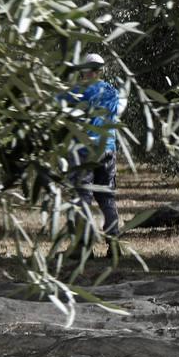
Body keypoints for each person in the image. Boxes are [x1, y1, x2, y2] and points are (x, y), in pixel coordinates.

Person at [61, 52, 125, 237]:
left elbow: (58, 108)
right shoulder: (112, 91)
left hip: (85, 151)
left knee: (83, 198)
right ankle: (114, 241)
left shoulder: (78, 91)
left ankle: (83, 244)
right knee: (107, 197)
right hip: (108, 150)